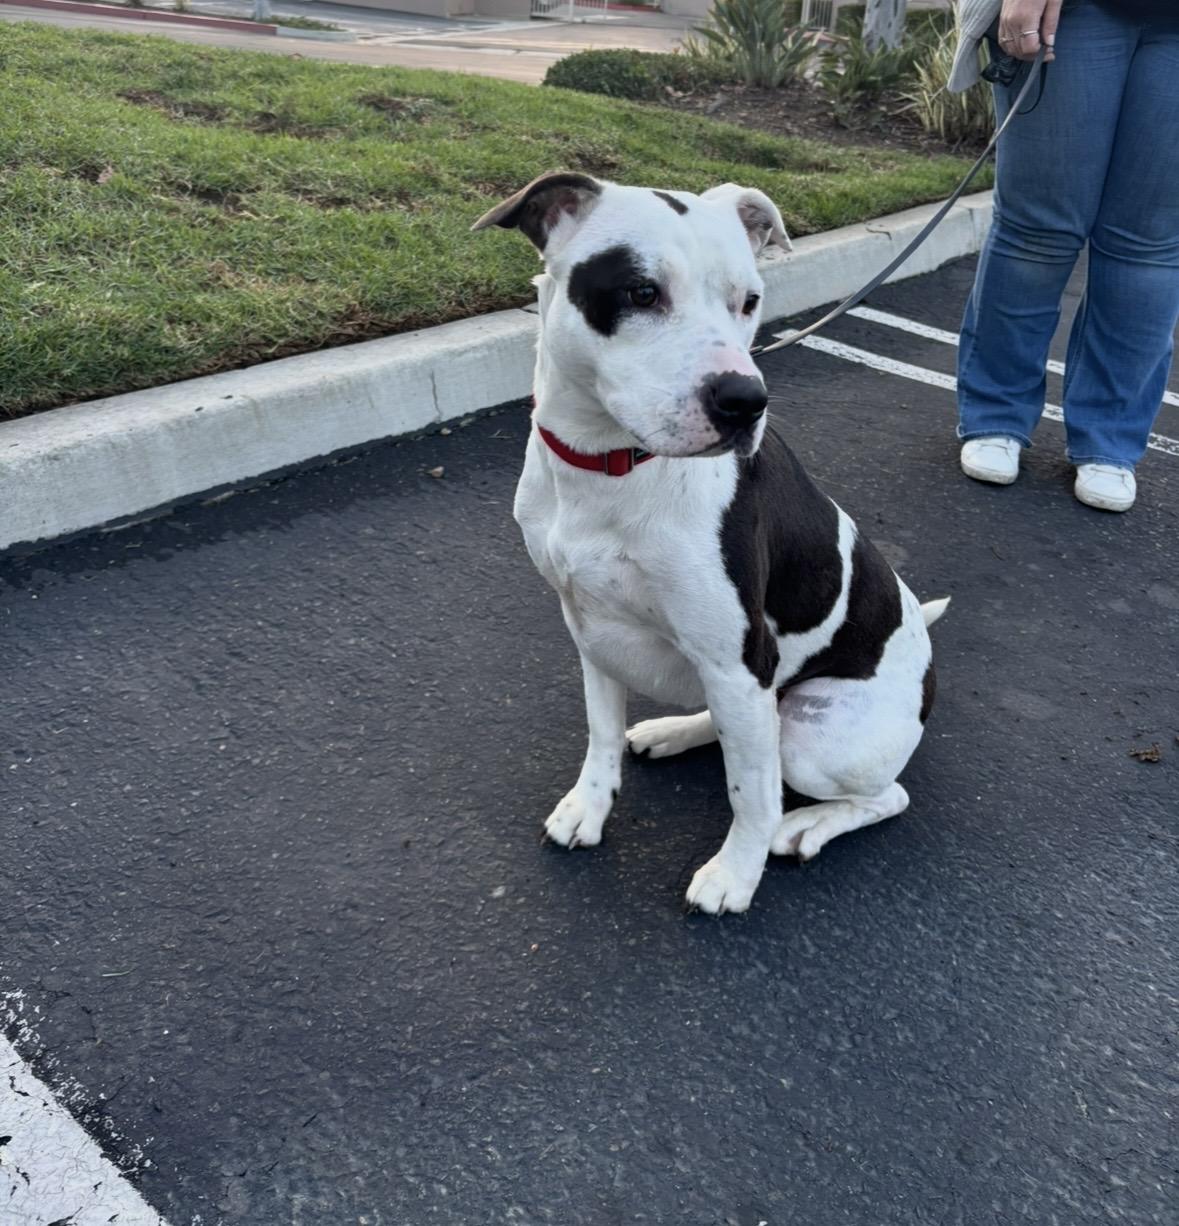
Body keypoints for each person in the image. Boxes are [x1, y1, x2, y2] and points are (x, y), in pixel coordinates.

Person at [948, 0, 1179, 511]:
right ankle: (996, 413)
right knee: (1037, 229)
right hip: (1078, 10)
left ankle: (1110, 441)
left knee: (1151, 245)